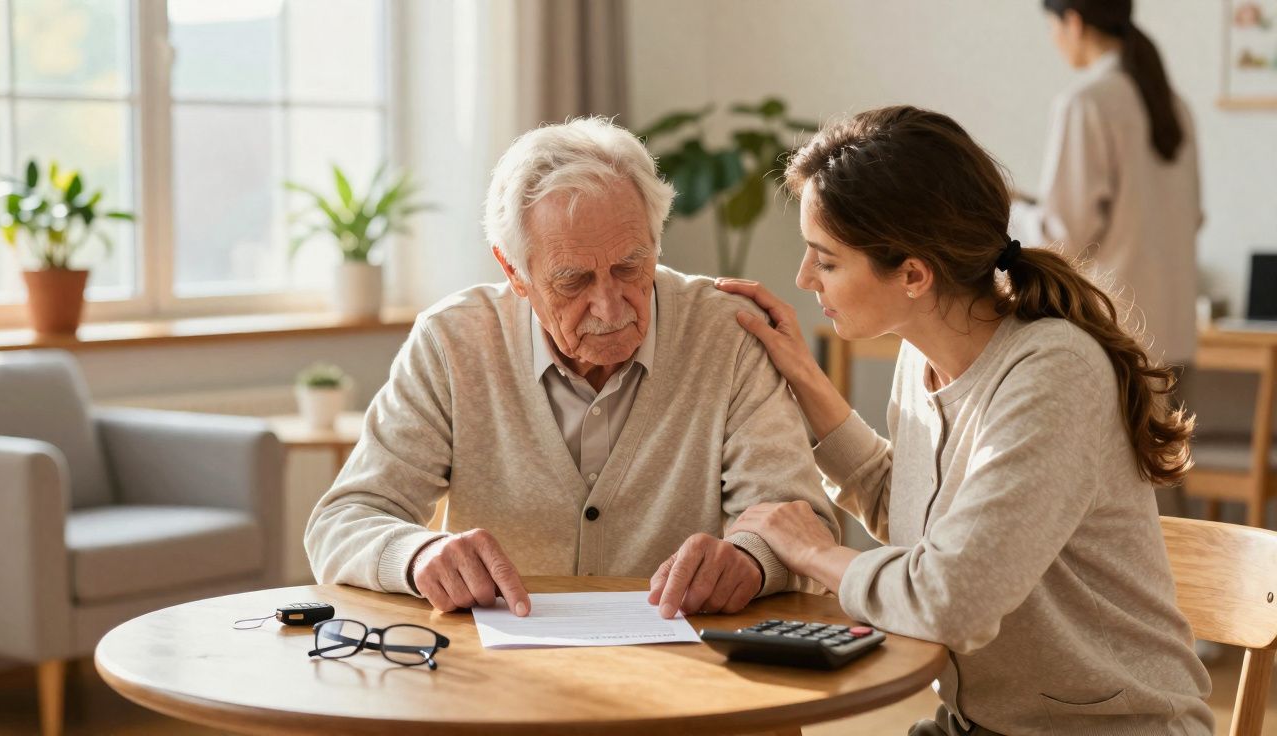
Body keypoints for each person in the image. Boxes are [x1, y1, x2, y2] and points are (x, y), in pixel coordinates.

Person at [710, 106, 1212, 734]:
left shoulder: (1054, 374)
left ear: (914, 274)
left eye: (827, 260)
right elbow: (918, 516)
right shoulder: (921, 356)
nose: (804, 277)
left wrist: (816, 554)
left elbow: (952, 599)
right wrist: (805, 379)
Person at [304, 117, 838, 619]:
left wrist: (749, 560)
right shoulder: (453, 341)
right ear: (514, 271)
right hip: (503, 684)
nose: (611, 307)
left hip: (685, 670)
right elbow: (342, 522)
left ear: (655, 243)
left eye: (631, 267)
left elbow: (801, 522)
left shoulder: (728, 335)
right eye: (573, 281)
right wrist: (418, 554)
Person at [1011, 0, 1202, 366]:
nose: (1053, 39)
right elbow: (1186, 215)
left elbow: (1061, 238)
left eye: (1052, 27)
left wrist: (1013, 210)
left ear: (1073, 22)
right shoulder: (1177, 107)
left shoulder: (1085, 103)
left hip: (1117, 337)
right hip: (1174, 335)